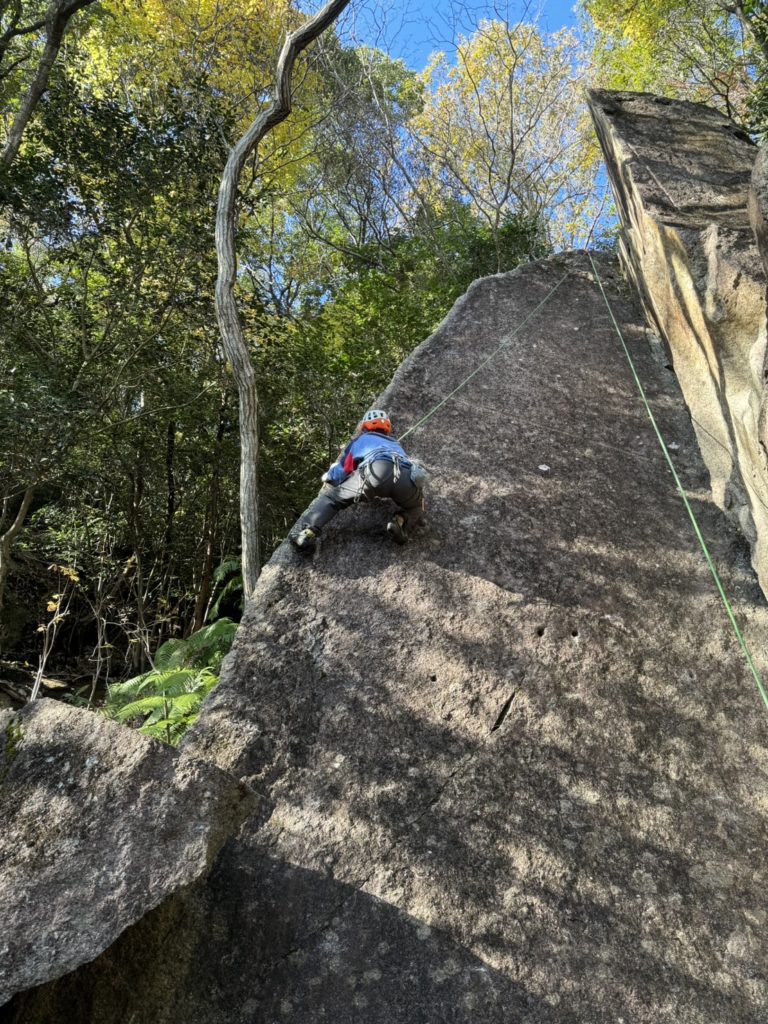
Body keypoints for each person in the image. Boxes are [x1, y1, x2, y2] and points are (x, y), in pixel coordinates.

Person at [292, 409, 426, 551]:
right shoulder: (396, 445)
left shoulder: (361, 440)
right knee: (417, 507)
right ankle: (400, 520)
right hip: (406, 478)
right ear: (387, 428)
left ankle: (306, 533)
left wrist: (330, 476)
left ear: (365, 426)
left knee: (333, 499)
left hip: (377, 472)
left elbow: (345, 468)